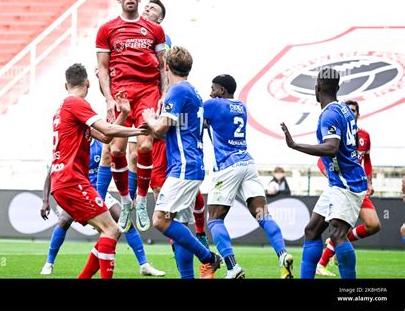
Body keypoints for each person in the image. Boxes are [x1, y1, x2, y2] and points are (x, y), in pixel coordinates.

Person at [48, 63, 147, 279]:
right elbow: (108, 130)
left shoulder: (65, 108)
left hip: (66, 181)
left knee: (110, 230)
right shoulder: (76, 104)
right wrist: (141, 130)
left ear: (66, 85)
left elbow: (105, 137)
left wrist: (124, 114)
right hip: (72, 180)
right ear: (88, 83)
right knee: (112, 230)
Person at [142, 46, 222, 279]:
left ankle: (209, 258)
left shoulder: (176, 91)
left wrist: (149, 119)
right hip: (191, 165)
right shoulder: (193, 92)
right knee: (180, 227)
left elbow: (160, 129)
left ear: (166, 66)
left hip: (184, 167)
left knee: (160, 220)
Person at [281, 67, 368, 279]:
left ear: (317, 88)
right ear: (337, 87)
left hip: (347, 184)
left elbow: (331, 147)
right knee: (312, 230)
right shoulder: (346, 110)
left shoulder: (329, 114)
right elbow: (353, 144)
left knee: (338, 235)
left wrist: (294, 145)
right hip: (340, 182)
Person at [204, 74, 294, 279]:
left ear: (223, 91)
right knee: (263, 216)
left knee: (215, 220)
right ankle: (282, 255)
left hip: (227, 166)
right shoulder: (241, 107)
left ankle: (232, 267)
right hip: (247, 164)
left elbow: (190, 114)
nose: (211, 93)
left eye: (213, 89)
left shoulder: (214, 105)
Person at [96, 0, 167, 233]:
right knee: (116, 151)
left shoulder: (154, 30)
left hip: (148, 92)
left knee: (145, 146)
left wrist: (164, 95)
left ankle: (139, 200)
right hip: (121, 94)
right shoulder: (107, 29)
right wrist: (108, 98)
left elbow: (162, 66)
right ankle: (125, 200)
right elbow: (103, 68)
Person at [40, 138, 165, 277]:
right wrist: (45, 200)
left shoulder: (101, 146)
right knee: (64, 220)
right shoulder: (72, 144)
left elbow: (118, 167)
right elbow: (51, 174)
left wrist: (131, 191)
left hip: (99, 192)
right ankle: (49, 263)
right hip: (77, 192)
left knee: (124, 219)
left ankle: (144, 265)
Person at [316, 100, 380, 277]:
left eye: (354, 111)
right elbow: (321, 160)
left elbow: (367, 161)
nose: (350, 113)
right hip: (342, 188)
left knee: (373, 225)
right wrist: (330, 175)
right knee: (335, 231)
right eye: (348, 110)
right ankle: (322, 262)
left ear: (358, 115)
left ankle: (335, 246)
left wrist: (370, 182)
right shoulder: (337, 132)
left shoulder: (364, 136)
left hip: (358, 185)